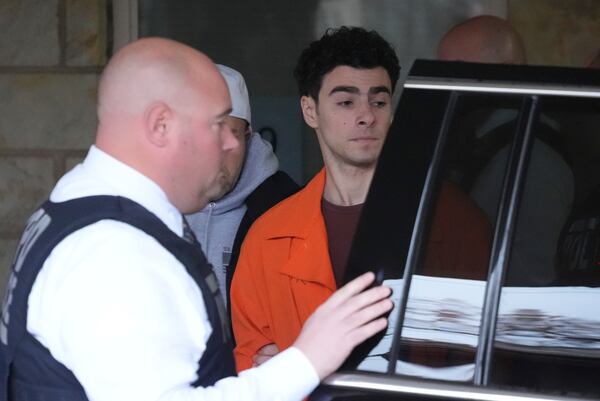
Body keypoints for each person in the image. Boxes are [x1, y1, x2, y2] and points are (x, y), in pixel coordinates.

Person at [0, 37, 394, 401]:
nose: (232, 143)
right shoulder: (116, 252)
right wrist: (307, 361)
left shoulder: (77, 205)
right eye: (218, 124)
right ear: (161, 125)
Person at [230, 26, 492, 372]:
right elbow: (253, 365)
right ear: (310, 111)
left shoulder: (452, 219)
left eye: (379, 101)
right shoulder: (268, 236)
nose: (366, 115)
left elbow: (481, 360)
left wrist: (288, 364)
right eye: (346, 101)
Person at [438, 15, 574, 286]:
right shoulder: (479, 143)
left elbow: (526, 281)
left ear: (508, 72)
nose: (446, 86)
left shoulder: (532, 159)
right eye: (441, 73)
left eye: (460, 72)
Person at [186, 64, 299, 306]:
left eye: (232, 134)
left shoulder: (285, 207)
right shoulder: (155, 204)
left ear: (247, 136)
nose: (218, 150)